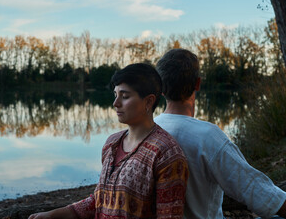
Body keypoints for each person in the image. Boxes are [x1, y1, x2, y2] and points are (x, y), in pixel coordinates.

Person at [28, 63, 189, 219]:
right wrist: (53, 214)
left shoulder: (166, 154)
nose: (115, 103)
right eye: (115, 95)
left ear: (148, 101)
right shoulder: (112, 143)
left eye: (124, 96)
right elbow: (100, 200)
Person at [154, 48, 286, 219]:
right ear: (198, 84)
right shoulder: (207, 136)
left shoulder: (148, 129)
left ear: (161, 90)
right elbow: (256, 191)